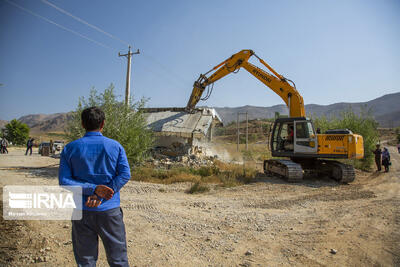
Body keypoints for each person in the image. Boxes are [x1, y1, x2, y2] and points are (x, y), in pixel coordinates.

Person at [59, 106, 131, 267]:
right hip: (109, 211)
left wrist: (92, 190)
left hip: (81, 210)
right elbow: (125, 174)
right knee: (118, 259)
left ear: (83, 124)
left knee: (85, 261)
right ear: (103, 123)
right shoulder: (115, 146)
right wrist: (102, 193)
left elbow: (64, 180)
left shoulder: (70, 148)